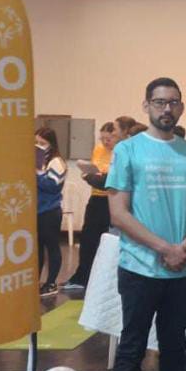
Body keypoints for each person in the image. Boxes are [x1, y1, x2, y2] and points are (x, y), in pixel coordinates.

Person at [107, 77, 186, 371]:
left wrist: (184, 247)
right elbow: (118, 214)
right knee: (133, 346)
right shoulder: (127, 150)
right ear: (146, 106)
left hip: (181, 269)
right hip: (140, 268)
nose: (167, 108)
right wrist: (165, 248)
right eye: (160, 102)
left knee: (174, 346)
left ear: (181, 107)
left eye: (173, 103)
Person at [63, 122, 118, 290]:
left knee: (109, 242)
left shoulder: (120, 152)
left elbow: (110, 179)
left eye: (108, 139)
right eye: (102, 138)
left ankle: (105, 282)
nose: (105, 142)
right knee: (88, 239)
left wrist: (97, 177)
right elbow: (96, 173)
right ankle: (82, 277)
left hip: (111, 200)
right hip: (96, 198)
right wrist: (90, 175)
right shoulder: (98, 149)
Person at [36, 127, 67, 297]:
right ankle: (37, 280)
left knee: (52, 246)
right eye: (36, 142)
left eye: (42, 143)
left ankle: (51, 282)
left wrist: (38, 174)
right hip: (37, 210)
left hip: (50, 210)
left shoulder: (56, 162)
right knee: (38, 248)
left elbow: (53, 186)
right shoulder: (38, 160)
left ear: (51, 144)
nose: (39, 146)